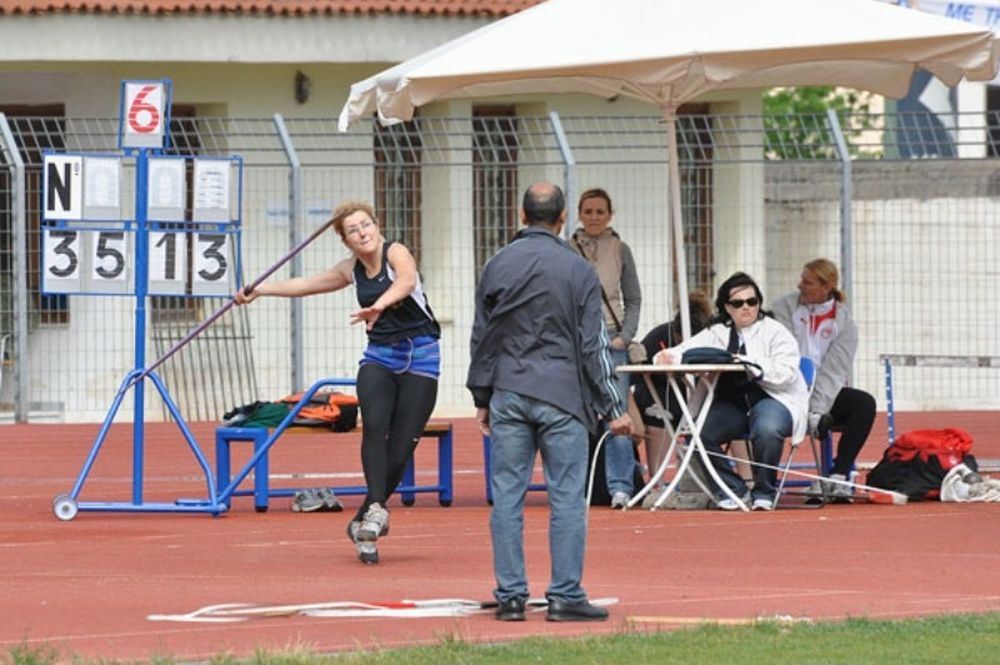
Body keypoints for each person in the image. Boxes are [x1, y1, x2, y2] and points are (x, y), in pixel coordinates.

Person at [234, 201, 440, 565]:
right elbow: (308, 284)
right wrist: (261, 290)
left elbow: (407, 281)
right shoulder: (351, 269)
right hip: (379, 358)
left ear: (376, 225)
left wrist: (380, 304)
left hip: (422, 357)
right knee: (374, 428)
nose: (363, 233)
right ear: (346, 242)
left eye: (366, 225)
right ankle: (377, 510)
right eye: (354, 231)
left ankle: (363, 519)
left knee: (403, 448)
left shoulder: (396, 252)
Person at [468, 181, 632, 623]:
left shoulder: (497, 264)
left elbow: (482, 336)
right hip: (562, 395)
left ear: (522, 216)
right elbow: (593, 345)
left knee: (507, 495)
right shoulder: (578, 269)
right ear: (563, 219)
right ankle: (564, 594)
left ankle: (511, 596)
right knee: (566, 497)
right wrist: (614, 405)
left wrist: (482, 395)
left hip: (509, 390)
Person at [653, 272, 808, 511]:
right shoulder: (716, 332)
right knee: (697, 433)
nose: (746, 307)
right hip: (732, 404)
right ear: (727, 307)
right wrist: (663, 357)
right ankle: (731, 489)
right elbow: (680, 351)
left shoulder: (776, 331)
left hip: (771, 398)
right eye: (738, 303)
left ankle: (764, 491)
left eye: (752, 302)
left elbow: (787, 371)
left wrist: (751, 364)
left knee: (767, 428)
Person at [772, 258, 876, 502]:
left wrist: (816, 410)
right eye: (801, 280)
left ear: (827, 286)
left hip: (823, 394)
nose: (800, 286)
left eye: (807, 282)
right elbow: (783, 355)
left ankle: (837, 476)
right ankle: (762, 479)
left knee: (863, 404)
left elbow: (834, 371)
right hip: (786, 389)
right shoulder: (783, 309)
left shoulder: (845, 323)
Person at [569, 187, 642, 509]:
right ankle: (578, 484)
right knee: (577, 414)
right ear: (579, 214)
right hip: (577, 342)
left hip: (612, 340)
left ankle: (621, 486)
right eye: (589, 211)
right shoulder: (567, 249)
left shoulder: (620, 249)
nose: (594, 217)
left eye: (600, 211)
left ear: (609, 215)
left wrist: (624, 337)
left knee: (618, 415)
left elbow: (633, 297)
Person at [631, 290, 713, 488]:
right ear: (674, 333)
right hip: (660, 396)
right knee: (659, 411)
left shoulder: (713, 336)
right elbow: (632, 376)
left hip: (702, 396)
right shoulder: (658, 336)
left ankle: (746, 480)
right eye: (678, 341)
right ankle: (657, 481)